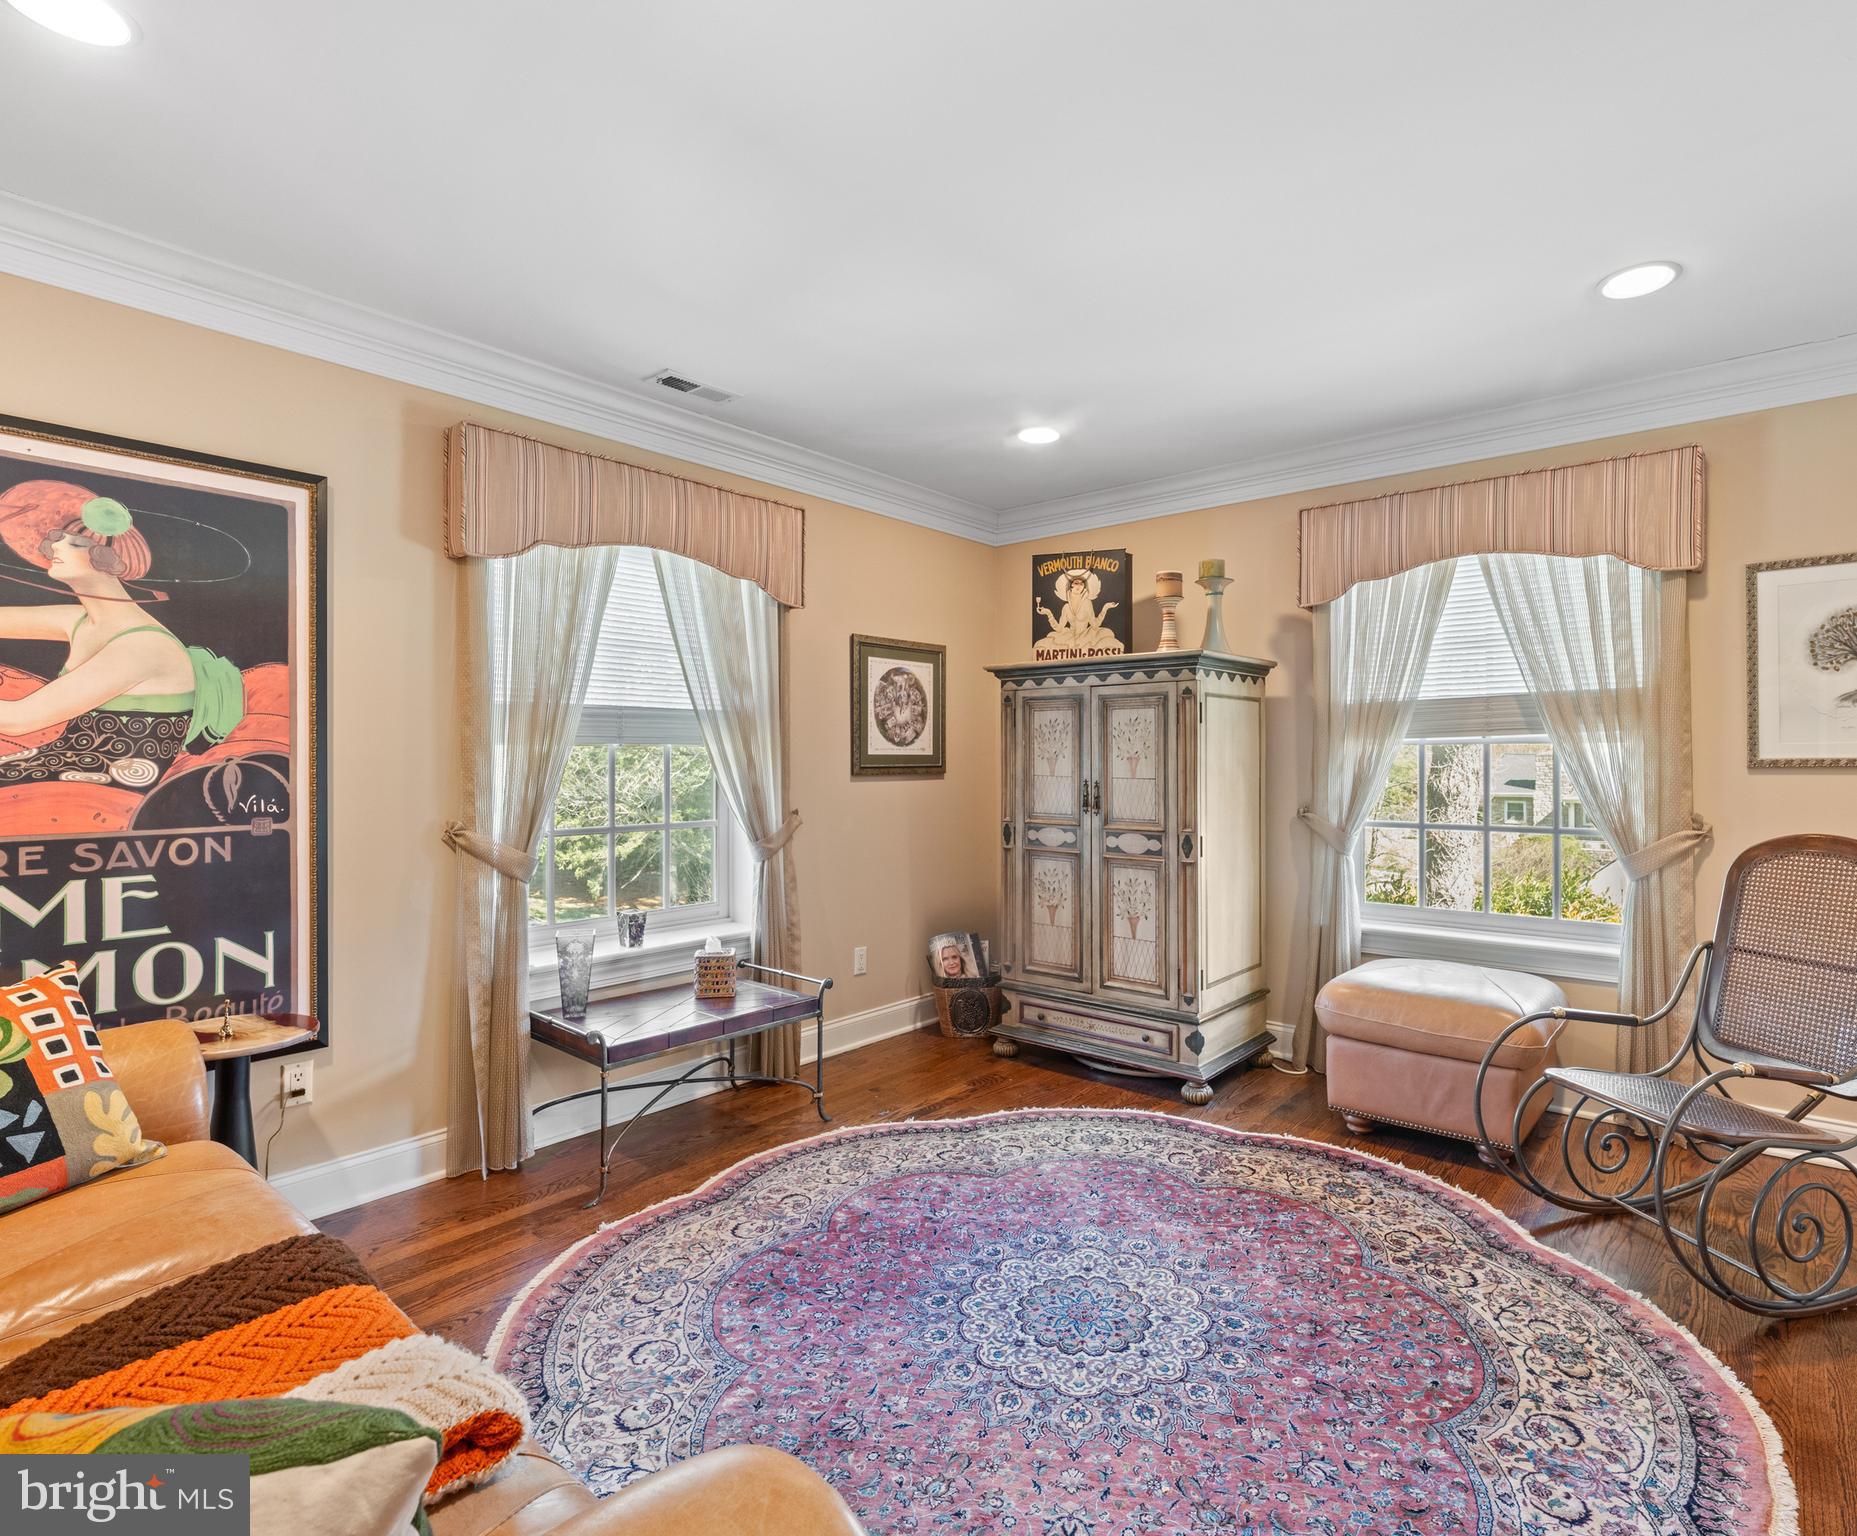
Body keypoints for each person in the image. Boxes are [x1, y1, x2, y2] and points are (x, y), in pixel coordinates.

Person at [0, 482, 244, 789]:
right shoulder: (81, 619)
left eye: (75, 545)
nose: (56, 548)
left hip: (115, 777)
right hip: (67, 759)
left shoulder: (142, 646)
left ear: (107, 560)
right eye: (58, 539)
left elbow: (19, 720)